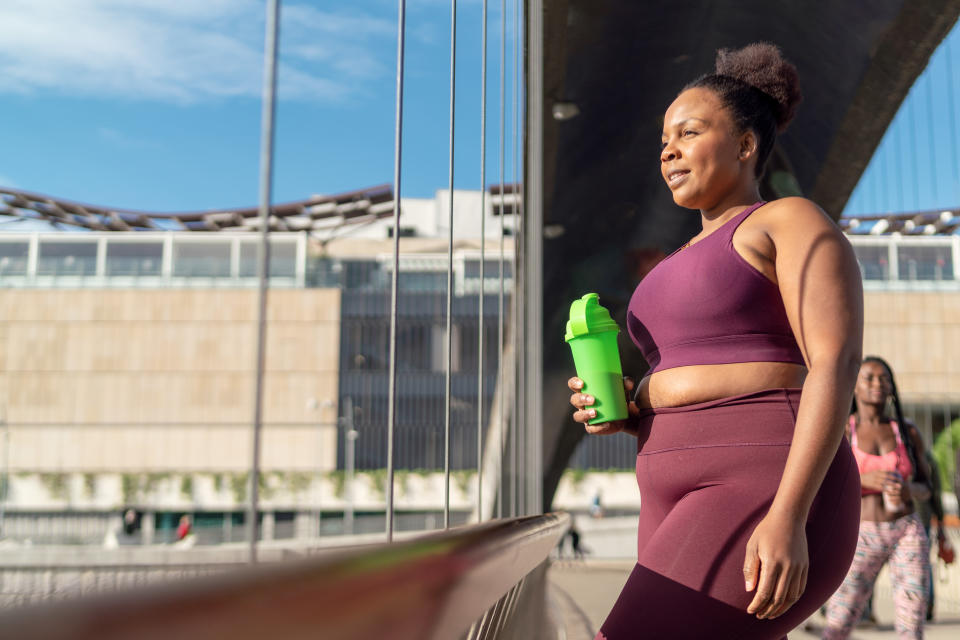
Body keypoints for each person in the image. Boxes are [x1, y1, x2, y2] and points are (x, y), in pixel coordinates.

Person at [567, 43, 863, 640]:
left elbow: (835, 361)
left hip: (764, 479)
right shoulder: (672, 262)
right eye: (663, 142)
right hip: (666, 487)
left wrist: (789, 514)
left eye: (690, 132)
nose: (669, 150)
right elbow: (695, 365)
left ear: (746, 144)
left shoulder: (788, 220)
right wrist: (634, 405)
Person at [821, 357, 931, 639]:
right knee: (840, 621)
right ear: (854, 385)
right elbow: (823, 485)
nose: (877, 384)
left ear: (892, 388)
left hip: (905, 530)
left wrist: (909, 490)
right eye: (869, 377)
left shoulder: (906, 431)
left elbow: (925, 486)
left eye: (884, 379)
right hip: (861, 534)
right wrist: (860, 480)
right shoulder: (843, 430)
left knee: (912, 620)